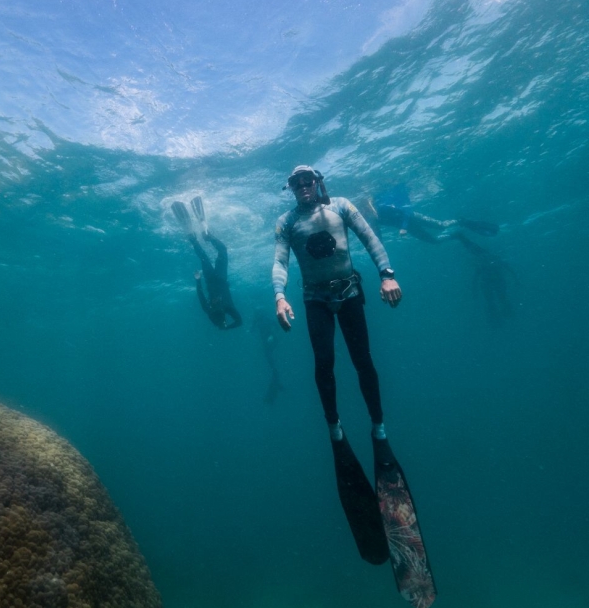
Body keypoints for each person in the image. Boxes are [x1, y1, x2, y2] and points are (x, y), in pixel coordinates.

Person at [272, 166, 401, 440]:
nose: (303, 186)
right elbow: (280, 261)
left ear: (318, 182)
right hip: (314, 299)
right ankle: (334, 429)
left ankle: (378, 427)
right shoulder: (286, 222)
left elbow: (369, 238)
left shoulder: (341, 205)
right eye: (296, 183)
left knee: (363, 361)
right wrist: (279, 296)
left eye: (308, 180)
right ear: (291, 188)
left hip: (349, 293)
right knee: (323, 363)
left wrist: (387, 275)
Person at [172, 198, 242, 330]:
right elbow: (239, 322)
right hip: (219, 278)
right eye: (217, 305)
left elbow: (200, 294)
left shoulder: (210, 309)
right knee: (218, 251)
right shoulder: (225, 308)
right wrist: (226, 327)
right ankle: (204, 236)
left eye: (214, 305)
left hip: (212, 278)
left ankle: (196, 237)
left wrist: (198, 280)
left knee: (207, 255)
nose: (215, 303)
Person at [360, 185, 499, 244]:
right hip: (409, 227)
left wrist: (403, 227)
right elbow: (376, 232)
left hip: (411, 217)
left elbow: (405, 211)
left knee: (441, 225)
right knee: (433, 241)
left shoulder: (382, 207)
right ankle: (455, 235)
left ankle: (460, 221)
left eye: (364, 209)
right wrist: (378, 244)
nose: (364, 213)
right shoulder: (371, 218)